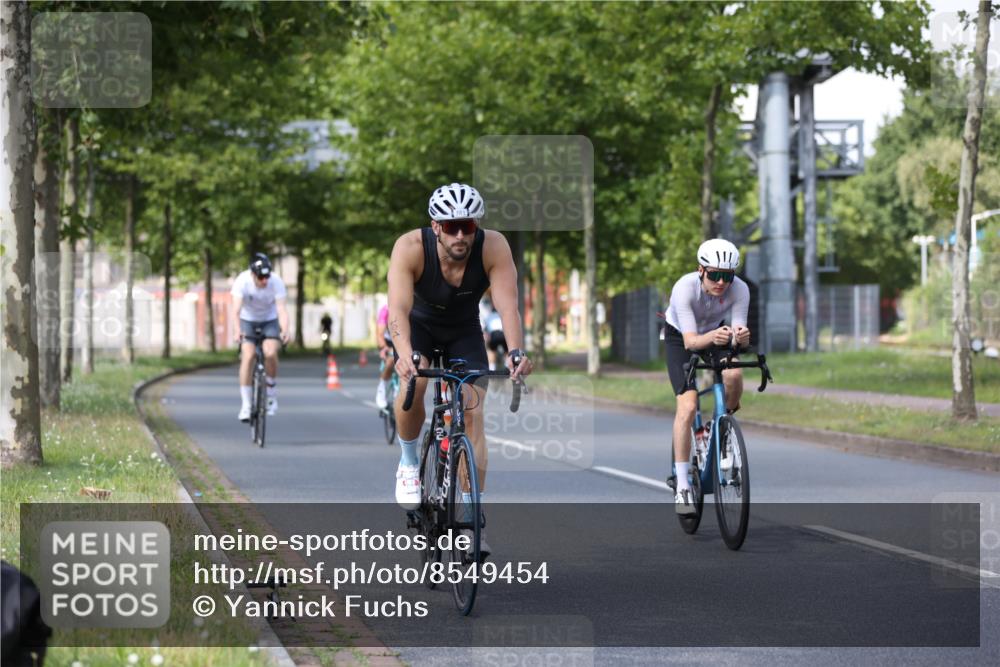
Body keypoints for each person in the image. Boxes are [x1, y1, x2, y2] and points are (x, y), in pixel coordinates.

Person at [386, 183, 533, 552]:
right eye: (450, 226)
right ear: (435, 225)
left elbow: (507, 305)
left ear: (476, 225)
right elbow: (398, 311)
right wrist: (404, 354)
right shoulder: (410, 247)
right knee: (414, 383)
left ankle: (469, 513)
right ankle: (408, 461)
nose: (459, 234)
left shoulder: (494, 246)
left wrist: (516, 352)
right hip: (418, 327)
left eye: (467, 226)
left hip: (464, 330)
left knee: (472, 410)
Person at [664, 238, 750, 514]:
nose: (722, 282)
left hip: (715, 333)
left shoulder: (741, 290)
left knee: (734, 374)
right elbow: (690, 343)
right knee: (688, 406)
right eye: (715, 275)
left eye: (728, 276)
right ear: (701, 270)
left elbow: (737, 336)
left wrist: (741, 338)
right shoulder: (684, 288)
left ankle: (722, 430)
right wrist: (714, 336)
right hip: (681, 338)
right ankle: (683, 487)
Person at [231, 253, 290, 421]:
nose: (264, 280)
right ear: (252, 274)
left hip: (269, 319)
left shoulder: (276, 282)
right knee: (248, 356)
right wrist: (237, 330)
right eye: (261, 277)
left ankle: (271, 392)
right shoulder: (242, 281)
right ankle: (246, 405)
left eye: (267, 276)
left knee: (270, 352)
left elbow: (282, 310)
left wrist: (285, 329)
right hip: (247, 319)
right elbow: (235, 311)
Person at [374, 304, 395, 408]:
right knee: (391, 361)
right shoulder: (385, 310)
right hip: (387, 341)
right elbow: (380, 335)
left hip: (402, 340)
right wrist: (384, 347)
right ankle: (382, 388)